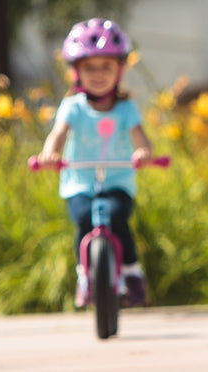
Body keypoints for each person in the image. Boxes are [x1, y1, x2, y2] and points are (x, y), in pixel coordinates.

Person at [37, 18, 155, 308]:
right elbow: (58, 134)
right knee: (82, 218)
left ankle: (132, 273)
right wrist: (50, 154)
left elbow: (141, 139)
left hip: (117, 181)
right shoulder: (73, 107)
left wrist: (143, 153)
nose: (98, 74)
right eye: (90, 67)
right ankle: (85, 278)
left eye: (106, 67)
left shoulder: (126, 108)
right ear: (76, 72)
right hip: (80, 182)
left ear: (120, 70)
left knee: (117, 216)